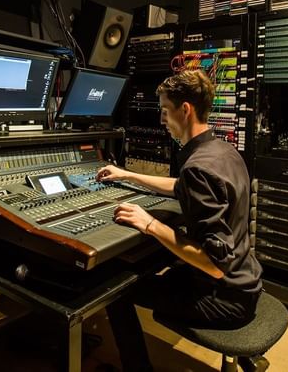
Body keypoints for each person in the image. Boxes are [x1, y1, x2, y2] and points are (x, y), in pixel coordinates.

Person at [97, 69, 262, 371]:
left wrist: (150, 224)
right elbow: (181, 186)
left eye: (165, 110)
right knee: (152, 268)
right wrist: (128, 174)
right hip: (247, 282)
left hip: (223, 298)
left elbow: (213, 265)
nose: (163, 120)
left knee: (116, 292)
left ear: (184, 110)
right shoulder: (223, 151)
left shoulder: (198, 168)